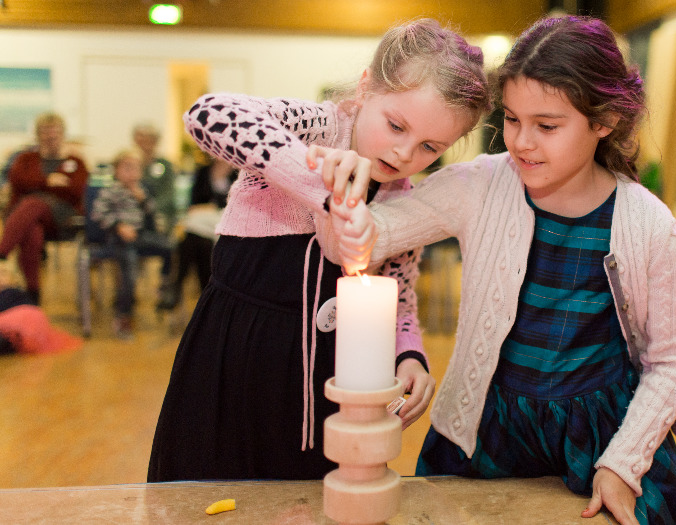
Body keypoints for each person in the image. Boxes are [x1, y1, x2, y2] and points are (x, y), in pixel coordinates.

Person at [324, 15, 676, 525]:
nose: (522, 142)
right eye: (511, 119)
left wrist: (622, 464)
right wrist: (344, 199)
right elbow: (370, 235)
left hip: (605, 437)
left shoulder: (648, 224)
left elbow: (673, 360)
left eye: (546, 126)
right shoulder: (480, 186)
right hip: (487, 431)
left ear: (605, 120)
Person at [147, 18, 491, 483]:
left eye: (430, 147)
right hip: (237, 352)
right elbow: (207, 114)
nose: (404, 154)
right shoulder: (317, 128)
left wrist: (408, 353)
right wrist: (320, 183)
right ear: (366, 87)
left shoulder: (404, 196)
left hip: (329, 376)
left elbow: (399, 295)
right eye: (395, 126)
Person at [0, 112, 89, 304]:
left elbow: (76, 190)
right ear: (38, 135)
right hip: (26, 220)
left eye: (55, 132)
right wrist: (48, 181)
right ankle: (33, 294)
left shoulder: (76, 162)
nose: (51, 136)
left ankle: (2, 251)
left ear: (63, 134)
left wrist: (38, 186)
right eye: (46, 132)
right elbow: (18, 181)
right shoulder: (26, 159)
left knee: (33, 202)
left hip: (63, 219)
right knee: (33, 232)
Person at [91, 149, 175, 339]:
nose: (132, 173)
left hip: (140, 235)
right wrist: (119, 226)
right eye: (127, 168)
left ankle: (164, 284)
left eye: (136, 168)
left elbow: (152, 212)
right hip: (119, 238)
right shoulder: (111, 191)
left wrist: (143, 199)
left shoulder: (142, 190)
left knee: (170, 246)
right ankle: (123, 316)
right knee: (129, 275)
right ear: (116, 170)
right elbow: (98, 214)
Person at [158, 155, 238, 309]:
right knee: (199, 240)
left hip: (228, 219)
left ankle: (177, 284)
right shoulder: (203, 171)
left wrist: (214, 206)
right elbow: (194, 200)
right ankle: (205, 291)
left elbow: (237, 201)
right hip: (204, 222)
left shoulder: (238, 173)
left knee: (191, 234)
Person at [133, 122, 179, 232]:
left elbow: (169, 194)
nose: (145, 144)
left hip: (159, 212)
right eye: (142, 139)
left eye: (150, 139)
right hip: (133, 210)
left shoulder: (165, 165)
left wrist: (150, 207)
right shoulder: (132, 164)